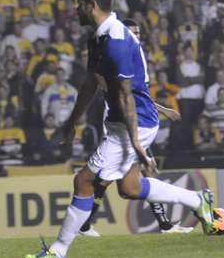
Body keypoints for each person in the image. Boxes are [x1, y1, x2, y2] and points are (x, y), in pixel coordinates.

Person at [24, 0, 219, 258]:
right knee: (129, 187)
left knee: (83, 181)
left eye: (78, 3)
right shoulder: (98, 38)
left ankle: (58, 251)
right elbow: (92, 82)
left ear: (92, 6)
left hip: (134, 123)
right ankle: (197, 199)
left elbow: (127, 94)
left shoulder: (116, 41)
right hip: (125, 122)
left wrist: (137, 144)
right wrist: (72, 120)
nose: (74, 8)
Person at [79, 19, 191, 237]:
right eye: (132, 32)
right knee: (112, 177)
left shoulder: (135, 56)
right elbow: (118, 93)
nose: (136, 35)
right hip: (121, 122)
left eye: (139, 32)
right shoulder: (116, 57)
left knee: (126, 176)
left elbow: (138, 96)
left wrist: (162, 109)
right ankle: (84, 224)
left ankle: (164, 225)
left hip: (135, 119)